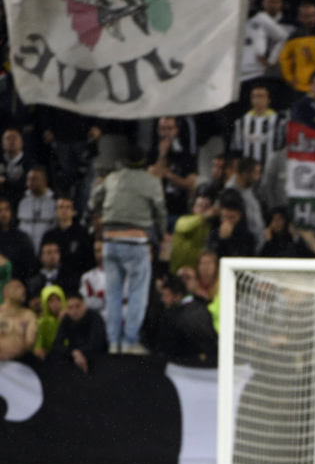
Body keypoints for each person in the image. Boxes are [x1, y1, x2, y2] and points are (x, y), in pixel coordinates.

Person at [89, 146, 166, 354]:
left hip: (110, 242)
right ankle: (130, 341)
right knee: (137, 295)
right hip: (136, 242)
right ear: (144, 162)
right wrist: (161, 233)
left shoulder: (112, 178)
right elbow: (160, 210)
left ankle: (113, 342)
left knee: (113, 295)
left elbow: (93, 200)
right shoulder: (151, 181)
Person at [157, 275, 218, 368]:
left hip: (184, 366)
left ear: (178, 296)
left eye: (166, 295)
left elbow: (166, 349)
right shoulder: (204, 304)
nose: (163, 299)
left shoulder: (171, 316)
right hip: (211, 361)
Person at [49, 292, 107, 373]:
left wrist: (80, 352)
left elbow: (97, 343)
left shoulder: (95, 318)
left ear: (84, 305)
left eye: (77, 306)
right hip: (74, 361)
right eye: (70, 307)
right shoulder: (66, 320)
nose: (74, 311)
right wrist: (73, 352)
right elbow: (57, 345)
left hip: (98, 361)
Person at [0, 279, 36, 361]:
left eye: (23, 288)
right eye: (17, 287)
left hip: (20, 362)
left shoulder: (29, 315)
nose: (23, 290)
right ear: (6, 291)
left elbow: (30, 341)